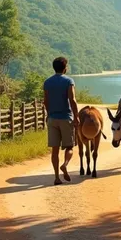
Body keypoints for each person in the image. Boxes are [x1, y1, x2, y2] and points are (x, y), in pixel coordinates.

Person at [44, 56, 79, 185]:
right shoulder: (69, 81)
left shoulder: (47, 82)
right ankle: (65, 164)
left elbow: (46, 101)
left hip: (52, 119)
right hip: (66, 118)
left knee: (55, 150)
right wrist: (76, 116)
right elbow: (72, 100)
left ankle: (57, 177)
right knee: (69, 146)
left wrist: (48, 114)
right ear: (65, 68)